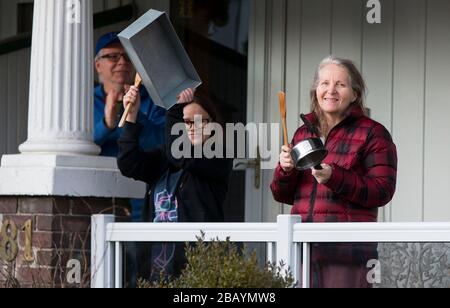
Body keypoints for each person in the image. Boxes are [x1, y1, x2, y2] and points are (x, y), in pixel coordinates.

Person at [270, 56, 398, 288]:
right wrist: (285, 170)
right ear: (316, 90)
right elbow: (282, 195)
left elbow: (383, 190)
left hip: (347, 253)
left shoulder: (374, 133)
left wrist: (334, 177)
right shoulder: (302, 133)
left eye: (340, 84)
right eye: (324, 83)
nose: (331, 90)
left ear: (355, 94)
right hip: (303, 247)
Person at [118, 87, 233, 281]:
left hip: (195, 267)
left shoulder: (218, 155)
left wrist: (173, 111)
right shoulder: (165, 158)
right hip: (154, 267)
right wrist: (131, 115)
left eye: (200, 121)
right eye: (185, 122)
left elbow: (181, 154)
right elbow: (128, 163)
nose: (192, 127)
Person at [93, 32, 166, 221]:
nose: (122, 62)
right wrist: (106, 124)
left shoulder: (152, 99)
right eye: (112, 56)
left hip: (141, 196)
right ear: (98, 65)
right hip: (97, 195)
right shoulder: (86, 101)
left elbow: (162, 140)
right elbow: (75, 143)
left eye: (127, 56)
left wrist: (135, 115)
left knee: (137, 249)